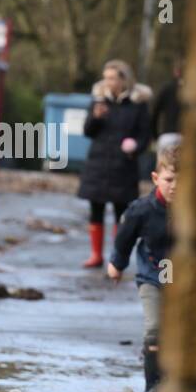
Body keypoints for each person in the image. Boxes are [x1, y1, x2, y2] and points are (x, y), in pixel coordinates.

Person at [108, 135, 178, 392]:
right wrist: (117, 263)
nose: (175, 187)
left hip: (184, 283)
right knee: (155, 331)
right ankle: (152, 391)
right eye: (170, 179)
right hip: (152, 278)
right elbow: (125, 237)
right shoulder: (142, 210)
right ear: (156, 177)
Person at [79, 59, 152, 267]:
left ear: (124, 79)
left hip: (124, 166)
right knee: (96, 210)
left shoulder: (138, 105)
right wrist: (95, 117)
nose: (107, 81)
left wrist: (135, 147)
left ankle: (117, 256)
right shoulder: (98, 101)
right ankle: (96, 255)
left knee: (122, 213)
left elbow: (145, 135)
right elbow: (87, 131)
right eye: (106, 77)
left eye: (112, 78)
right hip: (98, 164)